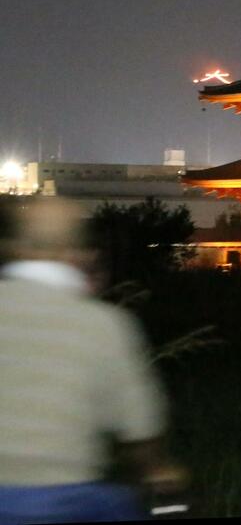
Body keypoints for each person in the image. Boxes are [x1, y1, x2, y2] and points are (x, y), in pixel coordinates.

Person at [0, 197, 188, 524]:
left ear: (13, 247)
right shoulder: (104, 324)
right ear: (77, 254)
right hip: (66, 498)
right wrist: (160, 471)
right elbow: (141, 430)